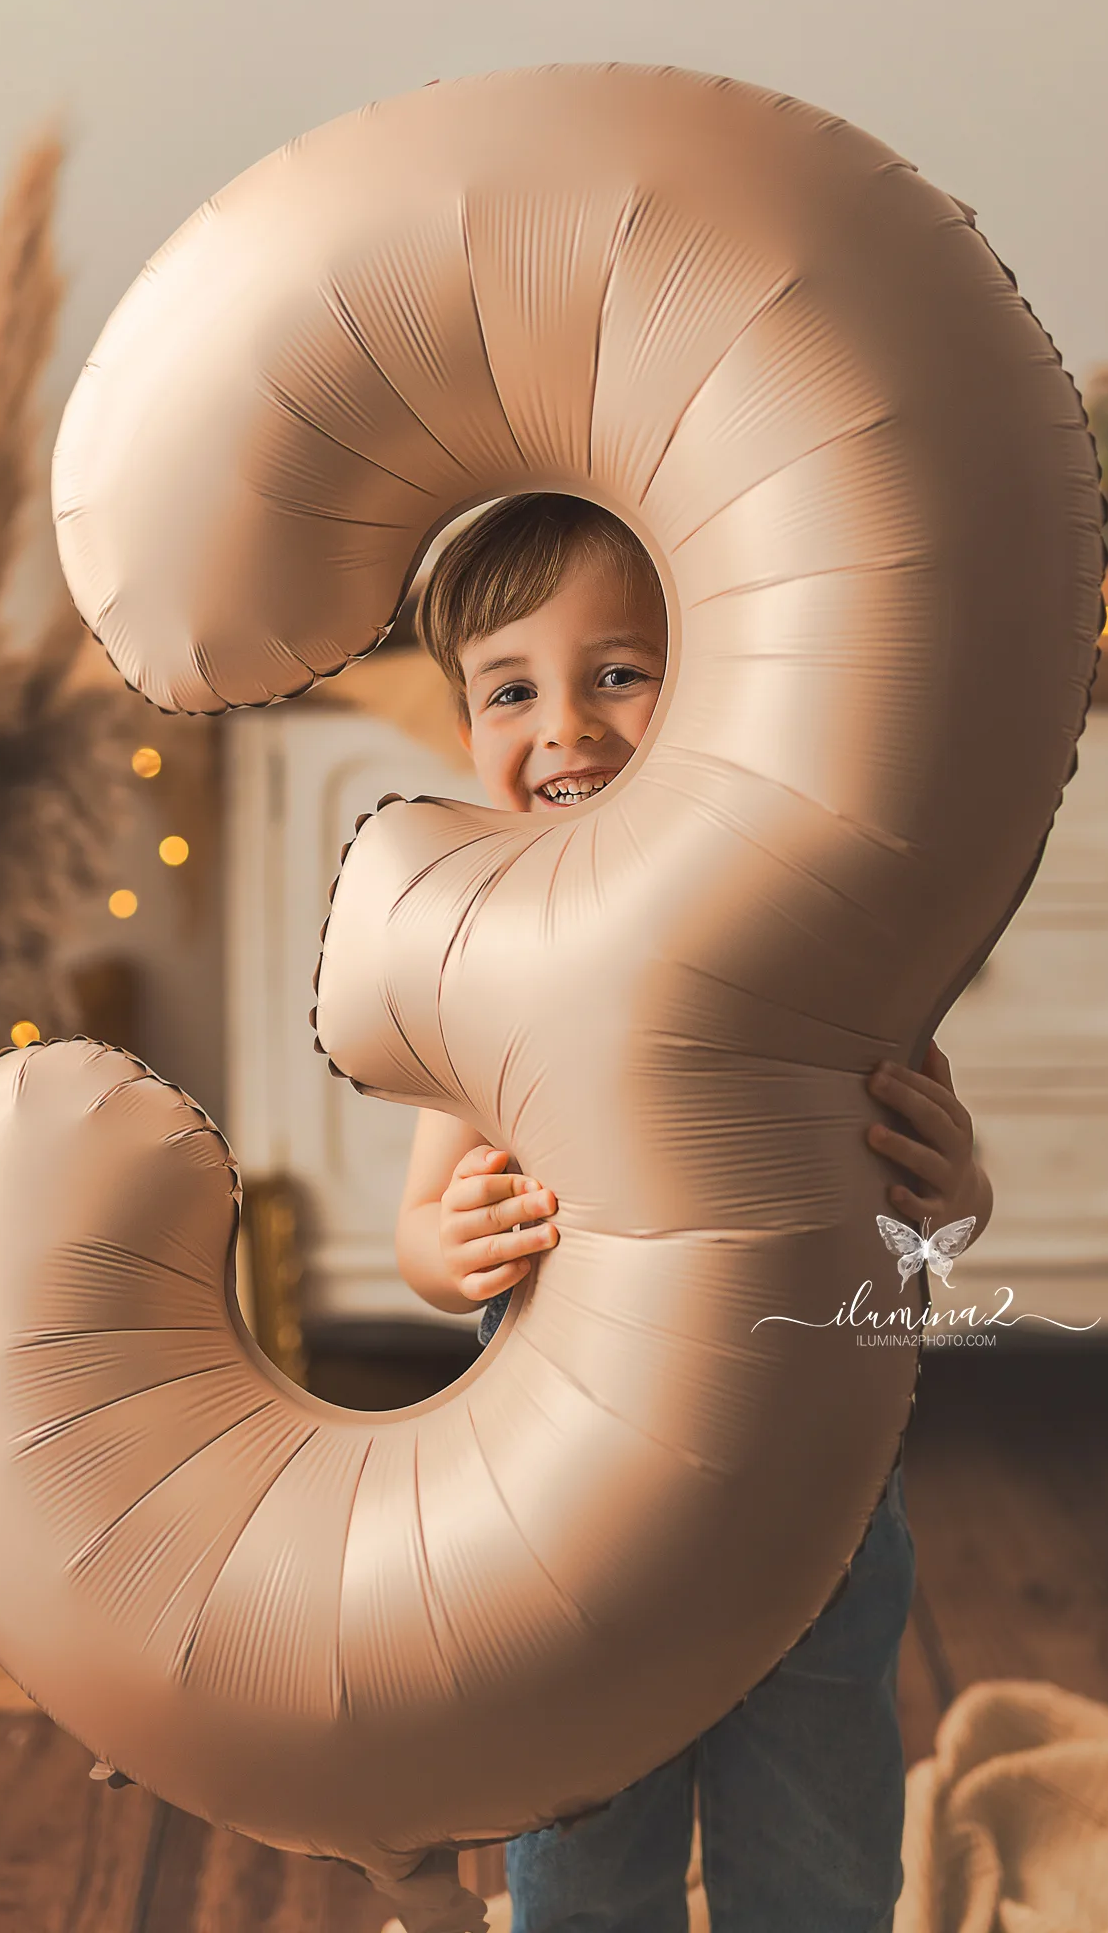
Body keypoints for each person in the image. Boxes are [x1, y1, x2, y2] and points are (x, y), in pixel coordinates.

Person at [394, 492, 995, 1933]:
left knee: (823, 1845)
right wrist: (448, 1239)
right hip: (571, 1520)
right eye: (512, 690)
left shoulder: (819, 935)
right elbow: (417, 1234)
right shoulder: (483, 958)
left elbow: (929, 1216)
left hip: (814, 1501)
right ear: (466, 725)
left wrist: (956, 1190)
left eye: (620, 673)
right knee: (586, 1854)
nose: (570, 730)